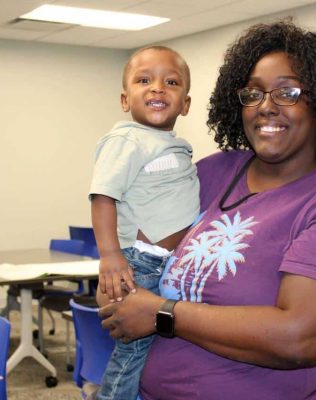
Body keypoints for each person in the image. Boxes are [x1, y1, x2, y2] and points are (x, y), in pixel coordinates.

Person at [99, 21, 316, 400]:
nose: (266, 106)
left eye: (288, 91)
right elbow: (145, 249)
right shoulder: (210, 172)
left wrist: (162, 313)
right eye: (253, 93)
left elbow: (300, 337)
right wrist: (121, 288)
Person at [89, 46, 200, 400]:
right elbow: (103, 197)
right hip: (141, 262)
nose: (157, 88)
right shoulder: (127, 139)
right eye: (144, 80)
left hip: (169, 264)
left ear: (185, 104)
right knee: (133, 350)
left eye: (171, 82)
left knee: (160, 349)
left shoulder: (172, 144)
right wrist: (110, 256)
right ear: (126, 99)